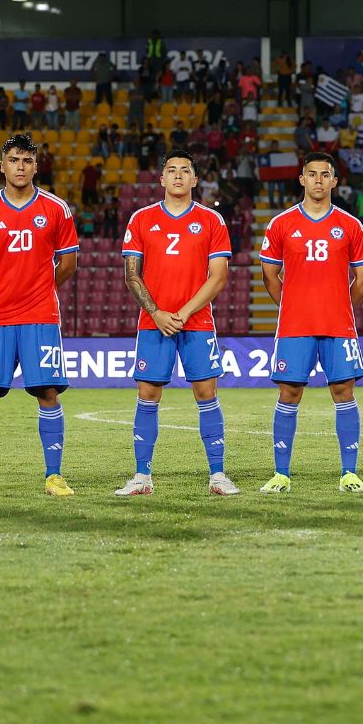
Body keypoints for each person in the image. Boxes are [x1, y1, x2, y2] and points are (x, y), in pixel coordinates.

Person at [0, 133, 78, 497]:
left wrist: (39, 288)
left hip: (40, 315)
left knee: (47, 391)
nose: (20, 167)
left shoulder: (56, 209)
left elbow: (69, 263)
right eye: (13, 160)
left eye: (27, 161)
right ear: (2, 165)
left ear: (36, 166)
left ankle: (54, 475)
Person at [115, 150, 235, 497]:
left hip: (197, 322)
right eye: (171, 170)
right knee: (148, 395)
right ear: (162, 179)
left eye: (185, 170)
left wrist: (182, 313)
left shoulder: (211, 220)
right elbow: (132, 274)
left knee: (206, 393)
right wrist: (156, 313)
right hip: (153, 322)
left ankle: (218, 475)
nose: (178, 175)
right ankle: (142, 476)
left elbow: (218, 277)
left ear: (195, 179)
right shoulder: (141, 219)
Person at [258, 152, 363, 494]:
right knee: (289, 392)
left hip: (338, 325)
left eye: (325, 175)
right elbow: (269, 274)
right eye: (312, 174)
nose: (319, 180)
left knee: (343, 392)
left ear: (334, 181)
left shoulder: (351, 225)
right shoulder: (281, 224)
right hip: (295, 326)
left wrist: (341, 307)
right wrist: (291, 305)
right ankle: (281, 474)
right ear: (302, 179)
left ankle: (349, 474)